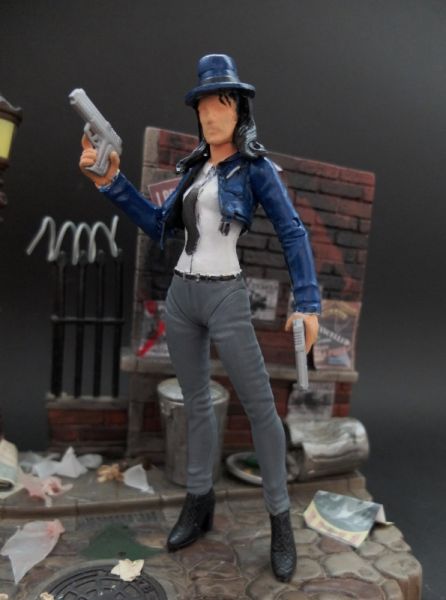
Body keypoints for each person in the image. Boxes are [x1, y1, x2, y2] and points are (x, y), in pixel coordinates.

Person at [79, 53, 320, 582]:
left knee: (259, 408)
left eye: (222, 104)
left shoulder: (255, 169)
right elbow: (156, 223)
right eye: (204, 105)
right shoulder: (194, 170)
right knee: (195, 404)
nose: (211, 114)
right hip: (183, 296)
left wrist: (307, 303)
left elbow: (293, 231)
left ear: (240, 111)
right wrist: (111, 181)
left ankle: (280, 519)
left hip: (225, 296)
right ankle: (198, 501)